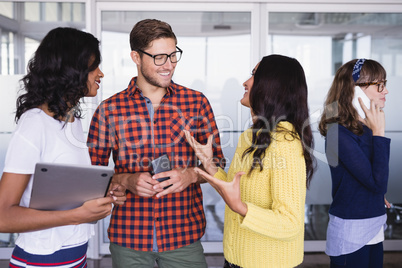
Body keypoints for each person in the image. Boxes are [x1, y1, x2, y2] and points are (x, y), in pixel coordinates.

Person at [87, 19, 224, 267]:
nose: (169, 65)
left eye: (173, 55)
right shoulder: (109, 110)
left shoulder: (196, 103)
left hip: (184, 239)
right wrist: (124, 180)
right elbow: (90, 177)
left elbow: (218, 166)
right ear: (136, 57)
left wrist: (191, 175)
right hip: (129, 240)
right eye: (159, 57)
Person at [0, 27, 125, 267]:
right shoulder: (34, 124)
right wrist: (77, 216)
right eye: (94, 67)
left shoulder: (72, 122)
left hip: (75, 256)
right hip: (42, 261)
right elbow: (3, 217)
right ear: (72, 71)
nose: (100, 74)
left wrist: (104, 194)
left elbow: (62, 192)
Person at [184, 54, 315, 268]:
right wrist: (208, 163)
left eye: (254, 75)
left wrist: (242, 208)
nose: (245, 82)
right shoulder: (250, 136)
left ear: (272, 86)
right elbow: (233, 191)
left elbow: (290, 222)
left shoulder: (285, 143)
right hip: (236, 260)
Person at [318, 59, 390, 267]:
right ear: (355, 90)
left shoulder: (367, 127)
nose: (385, 92)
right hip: (351, 232)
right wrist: (379, 134)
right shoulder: (337, 133)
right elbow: (378, 184)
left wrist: (375, 132)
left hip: (375, 225)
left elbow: (374, 179)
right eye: (380, 85)